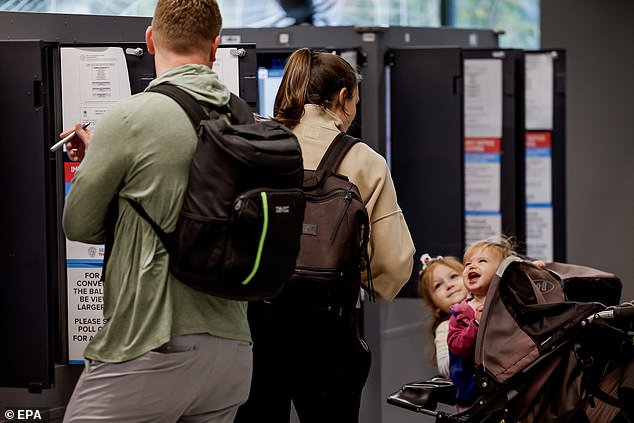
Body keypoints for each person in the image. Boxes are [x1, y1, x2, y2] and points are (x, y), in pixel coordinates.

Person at [61, 1, 252, 421]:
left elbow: (79, 224)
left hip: (151, 341)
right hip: (232, 353)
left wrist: (95, 166)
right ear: (215, 47)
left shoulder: (130, 117)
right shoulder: (245, 120)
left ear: (150, 39)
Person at [234, 48, 415, 423]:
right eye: (354, 104)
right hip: (329, 329)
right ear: (342, 97)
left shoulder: (255, 144)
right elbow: (391, 267)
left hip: (253, 326)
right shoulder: (364, 161)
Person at [447, 237, 515, 409]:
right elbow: (456, 346)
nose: (471, 266)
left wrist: (532, 271)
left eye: (482, 261)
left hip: (506, 388)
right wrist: (476, 325)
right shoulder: (460, 312)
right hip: (473, 394)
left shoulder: (507, 304)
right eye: (467, 263)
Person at [417, 253, 468, 378]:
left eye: (454, 276)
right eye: (438, 285)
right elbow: (446, 368)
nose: (449, 285)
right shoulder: (445, 327)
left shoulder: (487, 309)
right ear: (436, 307)